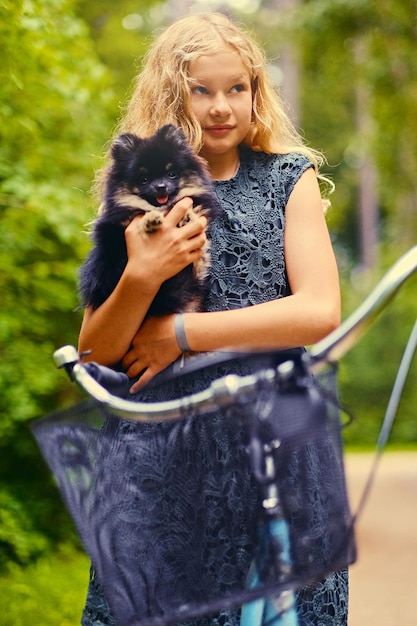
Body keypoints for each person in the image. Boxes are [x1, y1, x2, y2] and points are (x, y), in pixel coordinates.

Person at [78, 12, 348, 626]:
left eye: (238, 88)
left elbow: (318, 310)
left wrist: (180, 334)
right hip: (166, 453)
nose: (222, 106)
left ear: (257, 93)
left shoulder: (289, 180)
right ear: (174, 97)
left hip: (276, 446)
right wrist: (145, 273)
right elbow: (95, 355)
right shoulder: (140, 192)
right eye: (202, 90)